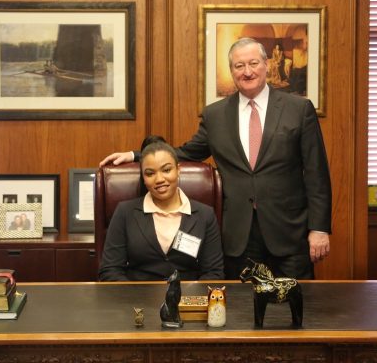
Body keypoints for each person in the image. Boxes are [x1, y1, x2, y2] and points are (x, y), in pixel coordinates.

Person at [100, 37, 331, 280]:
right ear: (231, 71)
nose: (247, 71)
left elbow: (317, 173)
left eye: (253, 63)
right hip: (239, 237)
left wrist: (319, 228)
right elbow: (185, 153)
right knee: (241, 312)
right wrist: (137, 156)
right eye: (239, 66)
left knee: (296, 310)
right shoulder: (216, 115)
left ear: (266, 64)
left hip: (290, 234)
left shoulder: (298, 109)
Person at [98, 138, 225, 281]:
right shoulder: (125, 212)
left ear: (178, 170)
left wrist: (189, 301)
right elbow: (110, 271)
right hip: (137, 299)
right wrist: (135, 299)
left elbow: (214, 273)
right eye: (150, 173)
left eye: (166, 170)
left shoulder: (205, 215)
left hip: (188, 299)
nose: (159, 179)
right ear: (143, 178)